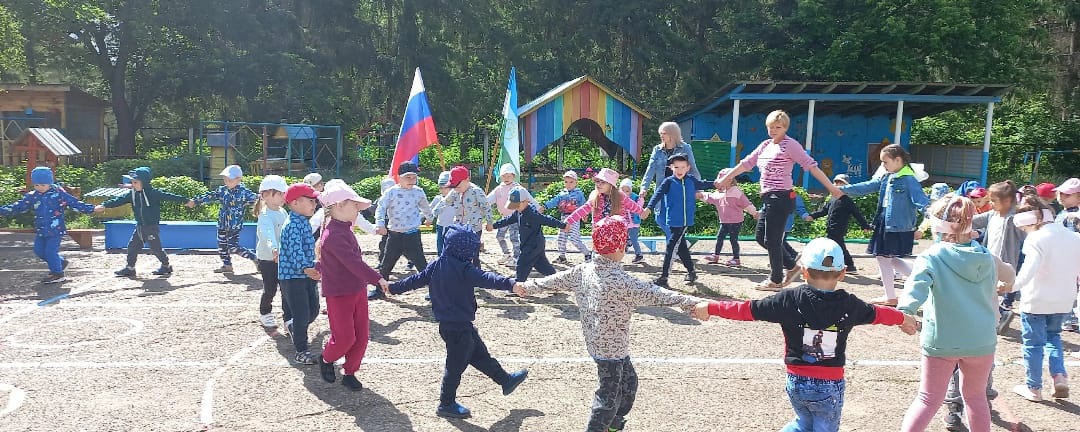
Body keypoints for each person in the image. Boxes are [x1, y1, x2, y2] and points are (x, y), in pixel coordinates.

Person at [695, 237, 917, 432]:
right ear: (842, 273)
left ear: (804, 271)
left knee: (804, 423)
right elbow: (879, 314)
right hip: (829, 384)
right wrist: (903, 318)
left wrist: (713, 307)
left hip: (797, 381)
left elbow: (746, 310)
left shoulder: (787, 300)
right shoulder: (851, 305)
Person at [519, 216, 708, 432]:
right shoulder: (622, 282)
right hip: (610, 351)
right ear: (620, 247)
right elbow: (658, 294)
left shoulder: (584, 270)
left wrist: (527, 286)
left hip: (604, 345)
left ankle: (614, 425)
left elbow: (553, 280)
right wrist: (692, 303)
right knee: (607, 399)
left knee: (629, 384)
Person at [384, 225, 529, 419]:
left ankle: (505, 380)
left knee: (479, 355)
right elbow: (487, 278)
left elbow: (414, 280)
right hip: (457, 329)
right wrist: (511, 284)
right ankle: (446, 403)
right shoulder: (465, 269)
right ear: (466, 250)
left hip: (455, 326)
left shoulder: (436, 264)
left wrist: (393, 288)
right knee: (455, 367)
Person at [897, 196, 999, 432]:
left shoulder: (932, 256)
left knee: (928, 399)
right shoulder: (985, 256)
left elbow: (915, 288)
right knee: (976, 397)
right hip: (982, 340)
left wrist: (905, 312)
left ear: (938, 226)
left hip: (943, 339)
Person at [716, 110, 844, 291]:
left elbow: (811, 166)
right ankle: (792, 266)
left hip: (781, 197)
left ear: (785, 128)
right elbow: (746, 164)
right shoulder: (765, 145)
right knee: (761, 237)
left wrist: (831, 187)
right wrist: (725, 178)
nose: (774, 130)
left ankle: (776, 280)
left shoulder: (790, 145)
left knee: (772, 240)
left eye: (778, 127)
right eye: (771, 127)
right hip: (768, 198)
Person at [313, 181, 386, 391]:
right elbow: (353, 263)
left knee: (361, 336)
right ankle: (326, 358)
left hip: (357, 289)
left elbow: (346, 261)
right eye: (354, 205)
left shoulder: (343, 229)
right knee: (345, 337)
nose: (357, 210)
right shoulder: (333, 234)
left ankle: (350, 372)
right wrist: (378, 278)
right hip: (339, 293)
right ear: (339, 205)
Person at [1008, 191, 1080, 401]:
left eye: (1024, 229)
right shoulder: (1074, 237)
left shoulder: (1036, 238)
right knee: (1053, 337)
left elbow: (1028, 271)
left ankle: (1034, 388)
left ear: (1029, 222)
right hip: (1064, 299)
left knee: (1033, 345)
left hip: (1036, 300)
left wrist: (1010, 286)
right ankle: (1059, 376)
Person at [838, 144, 929, 306]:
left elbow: (921, 200)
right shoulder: (888, 176)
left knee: (885, 257)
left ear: (898, 160)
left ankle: (914, 283)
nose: (883, 165)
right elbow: (869, 186)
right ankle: (904, 289)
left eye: (885, 162)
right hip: (884, 222)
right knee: (885, 257)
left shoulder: (909, 179)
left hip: (897, 225)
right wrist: (844, 189)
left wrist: (933, 213)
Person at [0, 166, 96, 284]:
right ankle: (60, 263)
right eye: (36, 185)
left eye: (43, 185)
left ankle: (58, 274)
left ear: (49, 183)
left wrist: (92, 208)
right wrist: (2, 211)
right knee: (39, 251)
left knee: (50, 252)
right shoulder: (33, 195)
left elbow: (74, 203)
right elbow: (18, 206)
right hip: (41, 229)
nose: (40, 188)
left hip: (55, 230)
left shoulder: (59, 193)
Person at [99, 166, 191, 277]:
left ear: (144, 182)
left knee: (155, 248)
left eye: (135, 182)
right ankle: (130, 268)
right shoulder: (132, 194)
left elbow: (170, 196)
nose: (133, 185)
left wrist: (186, 200)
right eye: (132, 182)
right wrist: (104, 205)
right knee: (132, 246)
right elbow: (119, 200)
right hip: (140, 226)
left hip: (151, 226)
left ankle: (166, 266)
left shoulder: (153, 193)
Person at [645, 155, 714, 287]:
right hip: (672, 220)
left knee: (671, 247)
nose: (679, 170)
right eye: (676, 167)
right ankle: (691, 272)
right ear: (671, 167)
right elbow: (657, 194)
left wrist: (716, 183)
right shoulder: (668, 182)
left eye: (683, 167)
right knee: (681, 247)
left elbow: (703, 184)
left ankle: (664, 277)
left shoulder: (691, 180)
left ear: (688, 168)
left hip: (684, 222)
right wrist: (649, 208)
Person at [971, 181, 1026, 332]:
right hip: (989, 261)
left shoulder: (1014, 219)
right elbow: (973, 221)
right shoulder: (992, 215)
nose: (991, 203)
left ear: (1007, 201)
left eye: (994, 201)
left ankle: (998, 316)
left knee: (991, 292)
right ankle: (998, 316)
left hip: (1005, 264)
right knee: (986, 292)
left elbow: (1027, 235)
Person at [278, 183, 322, 365]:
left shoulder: (303, 222)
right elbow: (295, 250)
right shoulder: (292, 225)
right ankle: (301, 351)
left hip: (304, 274)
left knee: (313, 310)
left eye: (315, 201)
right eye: (310, 201)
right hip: (292, 277)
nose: (314, 204)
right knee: (302, 314)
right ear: (295, 203)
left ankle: (293, 325)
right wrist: (306, 267)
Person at [187, 165, 259, 273]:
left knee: (232, 246)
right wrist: (195, 201)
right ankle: (227, 265)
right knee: (222, 245)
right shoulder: (222, 190)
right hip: (222, 223)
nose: (227, 182)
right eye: (225, 179)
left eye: (230, 180)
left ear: (238, 179)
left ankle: (254, 258)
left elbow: (258, 199)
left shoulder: (244, 192)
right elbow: (210, 196)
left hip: (234, 226)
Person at [374, 162, 433, 289]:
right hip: (395, 234)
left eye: (414, 177)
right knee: (386, 264)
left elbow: (425, 207)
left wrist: (429, 218)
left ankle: (434, 290)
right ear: (399, 178)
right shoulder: (391, 192)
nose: (411, 180)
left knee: (421, 263)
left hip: (412, 234)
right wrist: (380, 224)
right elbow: (380, 208)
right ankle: (379, 289)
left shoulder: (418, 192)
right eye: (408, 177)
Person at [639, 122, 701, 240]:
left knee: (675, 221)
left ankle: (674, 245)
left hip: (678, 189)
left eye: (664, 133)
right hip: (663, 188)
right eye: (660, 133)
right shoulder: (657, 149)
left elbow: (693, 168)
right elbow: (650, 169)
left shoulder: (685, 148)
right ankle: (678, 242)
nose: (661, 136)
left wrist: (697, 188)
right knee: (660, 218)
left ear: (672, 134)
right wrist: (644, 187)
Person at [493, 186, 565, 282]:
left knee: (522, 264)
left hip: (533, 244)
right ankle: (558, 281)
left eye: (517, 205)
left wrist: (563, 225)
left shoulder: (532, 214)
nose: (516, 208)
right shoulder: (518, 212)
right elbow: (508, 220)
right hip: (530, 244)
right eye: (514, 205)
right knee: (542, 265)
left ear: (526, 201)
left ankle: (518, 284)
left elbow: (547, 220)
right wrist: (494, 225)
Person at [808, 174, 871, 274]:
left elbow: (857, 214)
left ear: (846, 187)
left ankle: (847, 265)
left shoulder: (847, 201)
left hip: (839, 228)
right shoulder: (832, 199)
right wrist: (812, 216)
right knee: (837, 246)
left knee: (836, 246)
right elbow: (824, 211)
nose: (837, 185)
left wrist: (865, 226)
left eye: (841, 183)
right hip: (831, 227)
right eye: (836, 183)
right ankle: (847, 266)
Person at [253, 175, 292, 330]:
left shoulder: (283, 212)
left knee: (286, 288)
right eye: (280, 193)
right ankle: (265, 312)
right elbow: (267, 234)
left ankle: (288, 317)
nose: (284, 196)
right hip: (267, 259)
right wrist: (274, 249)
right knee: (270, 288)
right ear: (266, 195)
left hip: (283, 258)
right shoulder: (265, 215)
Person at [700, 168, 759, 267]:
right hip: (724, 221)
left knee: (733, 239)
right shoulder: (720, 192)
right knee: (719, 238)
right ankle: (716, 255)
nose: (719, 183)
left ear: (730, 180)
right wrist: (700, 195)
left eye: (721, 180)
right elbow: (710, 197)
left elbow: (746, 204)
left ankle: (736, 259)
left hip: (736, 221)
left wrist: (754, 213)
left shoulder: (736, 192)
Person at [565, 168, 650, 234]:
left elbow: (633, 205)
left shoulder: (620, 196)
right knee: (600, 251)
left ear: (611, 185)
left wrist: (642, 212)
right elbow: (583, 209)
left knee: (614, 251)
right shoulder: (595, 197)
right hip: (599, 233)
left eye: (603, 182)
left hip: (617, 233)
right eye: (597, 181)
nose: (599, 184)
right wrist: (569, 221)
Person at [540, 170, 591, 264]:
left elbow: (584, 205)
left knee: (575, 239)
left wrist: (585, 215)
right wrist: (545, 206)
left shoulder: (579, 194)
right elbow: (554, 201)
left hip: (574, 218)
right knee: (561, 238)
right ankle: (562, 256)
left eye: (571, 182)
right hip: (564, 218)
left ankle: (587, 254)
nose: (568, 184)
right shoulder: (562, 194)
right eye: (566, 182)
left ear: (576, 182)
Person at [488, 163, 522, 266]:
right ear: (500, 177)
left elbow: (526, 198)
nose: (506, 178)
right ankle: (506, 253)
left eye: (509, 176)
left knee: (514, 238)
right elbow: (489, 199)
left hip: (514, 218)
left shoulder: (517, 187)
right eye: (504, 176)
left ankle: (517, 258)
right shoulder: (499, 189)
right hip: (504, 217)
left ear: (513, 176)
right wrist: (481, 203)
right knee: (499, 236)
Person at [618, 179, 647, 264]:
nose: (624, 193)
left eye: (627, 191)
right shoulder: (619, 198)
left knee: (634, 239)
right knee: (621, 238)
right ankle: (621, 252)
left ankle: (639, 255)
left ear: (630, 191)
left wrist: (641, 198)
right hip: (624, 223)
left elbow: (639, 206)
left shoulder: (635, 197)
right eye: (622, 190)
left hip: (634, 223)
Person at [430, 171, 455, 256]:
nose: (443, 190)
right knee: (440, 245)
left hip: (453, 226)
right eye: (441, 188)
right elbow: (430, 209)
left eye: (446, 188)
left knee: (451, 246)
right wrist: (427, 217)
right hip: (441, 225)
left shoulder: (456, 198)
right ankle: (441, 259)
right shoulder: (438, 198)